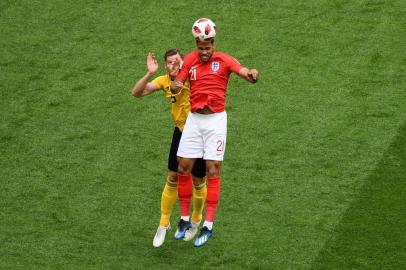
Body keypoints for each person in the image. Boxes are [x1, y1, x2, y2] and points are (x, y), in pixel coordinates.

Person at [171, 25, 259, 247]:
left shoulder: (224, 59)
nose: (204, 51)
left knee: (212, 169)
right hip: (194, 120)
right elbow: (176, 85)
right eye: (201, 47)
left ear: (213, 45)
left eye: (207, 47)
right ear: (196, 46)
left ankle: (208, 226)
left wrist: (252, 74)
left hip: (216, 121)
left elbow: (244, 72)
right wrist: (176, 85)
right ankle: (183, 220)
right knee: (183, 166)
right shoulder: (189, 60)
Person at [131, 49, 207, 247]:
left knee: (198, 181)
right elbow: (136, 93)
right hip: (181, 133)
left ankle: (196, 219)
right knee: (172, 176)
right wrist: (149, 73)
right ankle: (163, 223)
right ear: (165, 65)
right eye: (170, 62)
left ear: (183, 63)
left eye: (177, 61)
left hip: (200, 133)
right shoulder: (164, 81)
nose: (173, 64)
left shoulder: (192, 77)